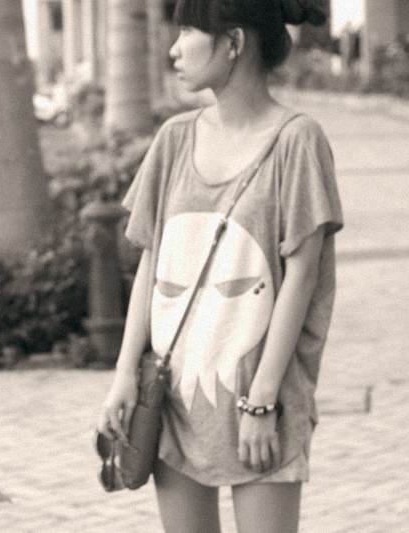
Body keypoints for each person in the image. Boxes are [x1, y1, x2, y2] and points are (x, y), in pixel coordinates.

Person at [97, 1, 344, 532]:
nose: (174, 49)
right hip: (172, 398)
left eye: (188, 31)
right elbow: (151, 265)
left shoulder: (297, 141)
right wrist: (123, 374)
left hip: (258, 400)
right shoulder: (174, 139)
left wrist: (262, 403)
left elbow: (301, 278)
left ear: (233, 41)